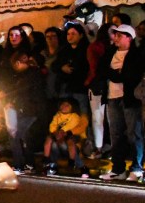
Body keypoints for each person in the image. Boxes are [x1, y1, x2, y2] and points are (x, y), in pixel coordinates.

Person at [98, 24, 144, 181]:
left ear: (129, 38)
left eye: (119, 35)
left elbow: (130, 76)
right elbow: (102, 70)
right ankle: (118, 169)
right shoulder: (110, 53)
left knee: (134, 134)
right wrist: (116, 73)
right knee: (116, 134)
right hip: (112, 97)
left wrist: (116, 74)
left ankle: (137, 168)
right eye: (115, 35)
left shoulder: (136, 54)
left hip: (130, 99)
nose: (115, 38)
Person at [3, 51, 48, 174]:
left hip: (30, 111)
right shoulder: (33, 74)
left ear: (17, 63)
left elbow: (23, 93)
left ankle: (19, 165)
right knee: (25, 137)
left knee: (15, 135)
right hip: (31, 111)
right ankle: (29, 164)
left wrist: (12, 101)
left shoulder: (29, 75)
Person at [83, 23, 112, 158]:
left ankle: (104, 147)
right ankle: (100, 147)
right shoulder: (97, 47)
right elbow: (94, 68)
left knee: (103, 118)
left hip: (107, 84)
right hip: (99, 85)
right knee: (98, 117)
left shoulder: (114, 48)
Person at [42, 98, 88, 177]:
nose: (64, 107)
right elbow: (52, 125)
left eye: (67, 105)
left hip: (71, 139)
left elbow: (73, 125)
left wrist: (62, 132)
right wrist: (55, 132)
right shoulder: (57, 115)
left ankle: (81, 167)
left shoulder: (75, 116)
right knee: (52, 143)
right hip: (58, 138)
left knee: (68, 144)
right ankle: (51, 165)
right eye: (63, 105)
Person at [52, 21, 90, 119]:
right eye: (68, 34)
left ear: (81, 35)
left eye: (73, 34)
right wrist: (62, 67)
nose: (70, 36)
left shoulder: (86, 49)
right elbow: (54, 65)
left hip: (80, 88)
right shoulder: (64, 50)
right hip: (65, 87)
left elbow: (85, 67)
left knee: (82, 114)